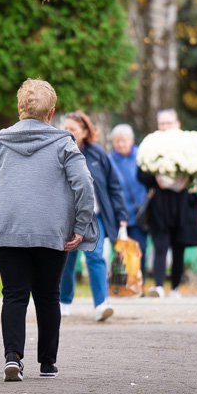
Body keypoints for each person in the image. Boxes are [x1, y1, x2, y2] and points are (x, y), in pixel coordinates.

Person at [0, 79, 97, 381]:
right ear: (52, 113)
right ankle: (48, 363)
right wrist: (81, 225)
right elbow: (84, 186)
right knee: (48, 295)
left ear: (19, 108)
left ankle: (13, 357)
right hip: (52, 230)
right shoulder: (64, 143)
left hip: (6, 228)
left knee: (13, 294)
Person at [60, 111, 128, 321]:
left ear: (84, 132)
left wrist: (122, 216)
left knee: (95, 256)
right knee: (67, 260)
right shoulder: (58, 151)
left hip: (94, 218)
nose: (68, 131)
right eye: (66, 127)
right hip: (67, 217)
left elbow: (114, 186)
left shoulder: (98, 154)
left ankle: (102, 303)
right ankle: (64, 301)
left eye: (73, 128)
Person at [136, 109, 197, 299]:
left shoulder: (190, 145)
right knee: (160, 244)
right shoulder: (151, 144)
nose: (165, 127)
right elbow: (140, 173)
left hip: (183, 202)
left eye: (169, 123)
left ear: (178, 124)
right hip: (160, 202)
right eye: (162, 124)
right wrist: (155, 178)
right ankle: (158, 285)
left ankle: (175, 288)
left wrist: (186, 178)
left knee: (179, 246)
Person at [107, 123, 149, 279]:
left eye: (123, 140)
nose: (120, 144)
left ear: (132, 140)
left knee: (139, 250)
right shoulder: (109, 160)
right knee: (120, 252)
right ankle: (121, 286)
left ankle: (138, 284)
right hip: (118, 215)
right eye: (117, 141)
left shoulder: (141, 157)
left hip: (139, 214)